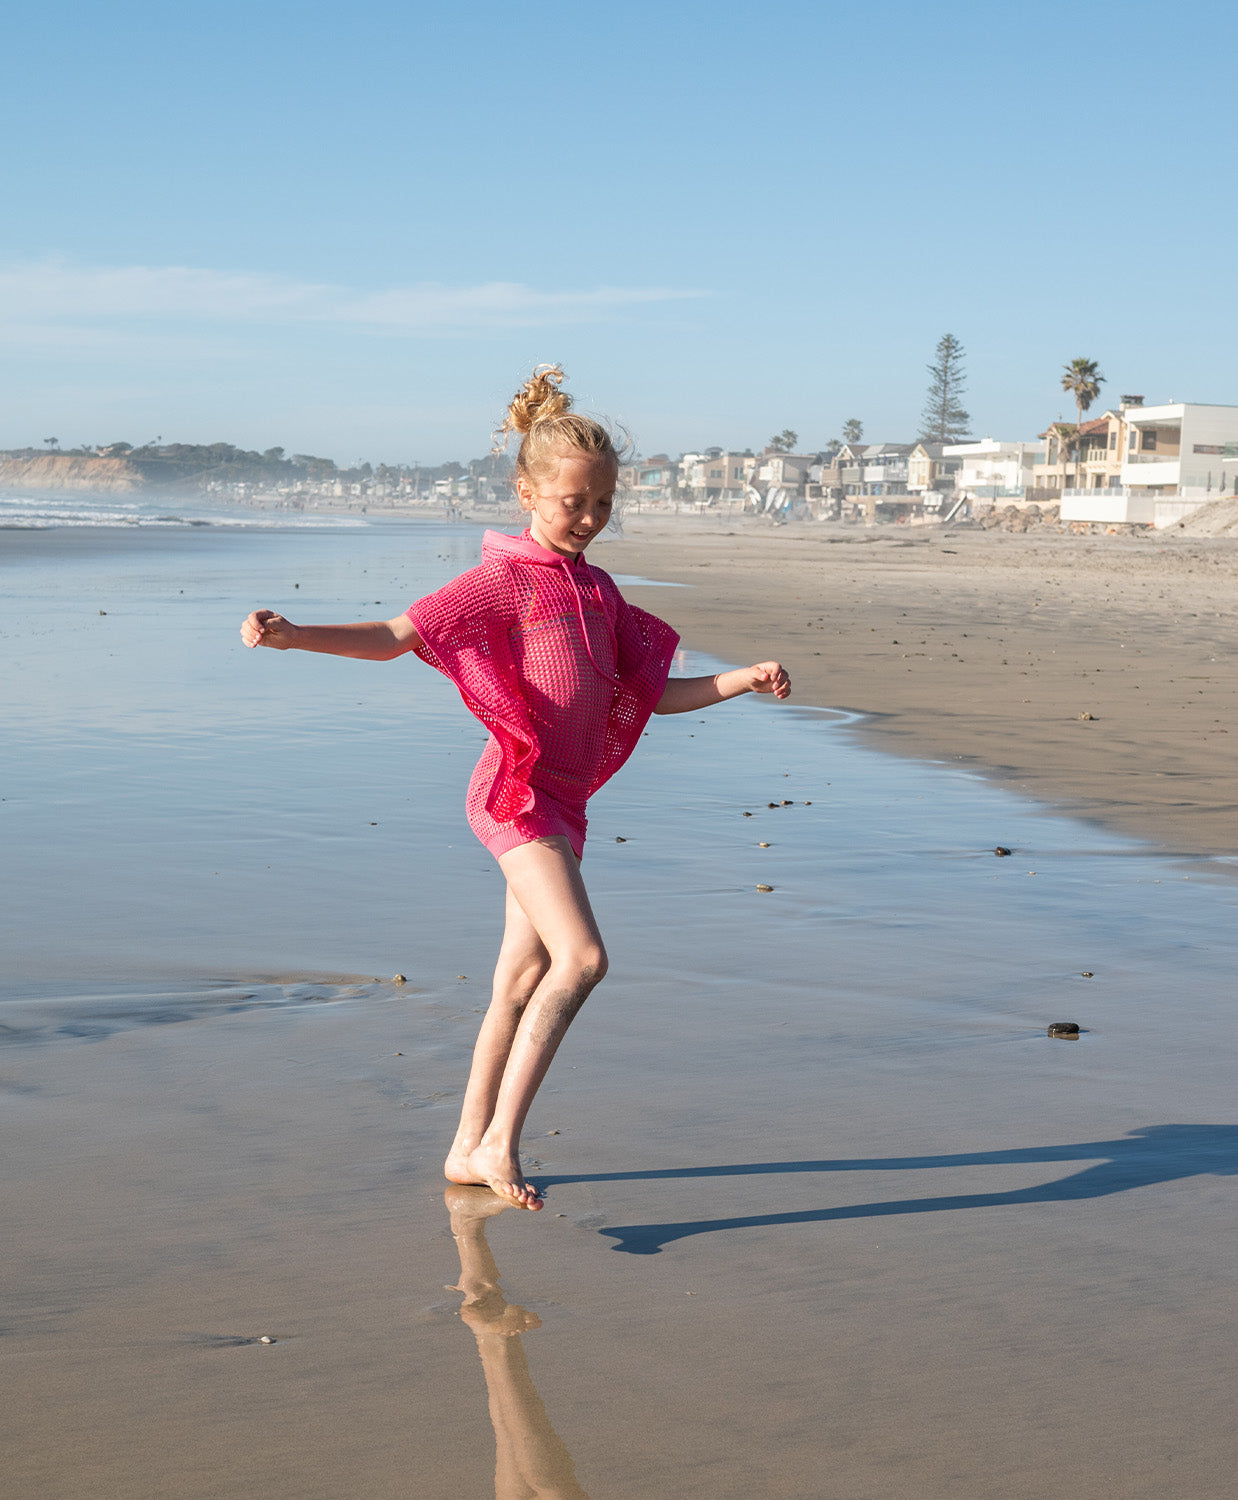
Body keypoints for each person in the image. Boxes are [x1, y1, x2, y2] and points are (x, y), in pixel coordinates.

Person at [240, 367, 789, 1210]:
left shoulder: (599, 593)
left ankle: (466, 1145)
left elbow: (651, 697)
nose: (589, 518)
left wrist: (741, 680)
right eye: (574, 502)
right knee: (584, 958)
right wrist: (295, 637)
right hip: (516, 794)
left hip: (565, 804)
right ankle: (502, 1140)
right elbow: (396, 635)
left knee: (518, 982)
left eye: (603, 504)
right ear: (526, 490)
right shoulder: (505, 580)